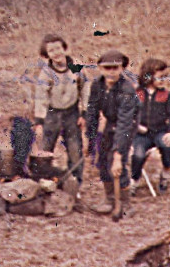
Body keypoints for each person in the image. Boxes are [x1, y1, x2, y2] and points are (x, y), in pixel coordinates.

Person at [85, 49, 139, 217]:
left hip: (127, 126)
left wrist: (118, 154)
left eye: (115, 68)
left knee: (117, 163)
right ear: (101, 68)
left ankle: (125, 203)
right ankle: (109, 199)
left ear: (122, 68)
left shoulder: (127, 90)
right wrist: (90, 140)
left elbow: (124, 124)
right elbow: (92, 113)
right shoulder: (97, 85)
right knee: (102, 160)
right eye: (107, 68)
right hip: (110, 123)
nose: (111, 72)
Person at [33, 34, 90, 186]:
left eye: (58, 48)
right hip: (52, 114)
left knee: (75, 149)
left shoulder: (76, 66)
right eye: (51, 51)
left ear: (64, 48)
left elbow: (85, 89)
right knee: (45, 149)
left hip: (72, 113)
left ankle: (75, 184)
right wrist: (39, 121)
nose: (56, 53)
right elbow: (41, 97)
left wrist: (84, 113)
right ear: (46, 54)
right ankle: (44, 183)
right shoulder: (46, 73)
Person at [130, 58, 170, 194]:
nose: (163, 80)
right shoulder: (137, 94)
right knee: (138, 154)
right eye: (160, 77)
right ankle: (134, 179)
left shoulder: (166, 95)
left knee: (166, 145)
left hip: (160, 131)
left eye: (165, 76)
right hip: (141, 134)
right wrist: (136, 127)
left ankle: (166, 172)